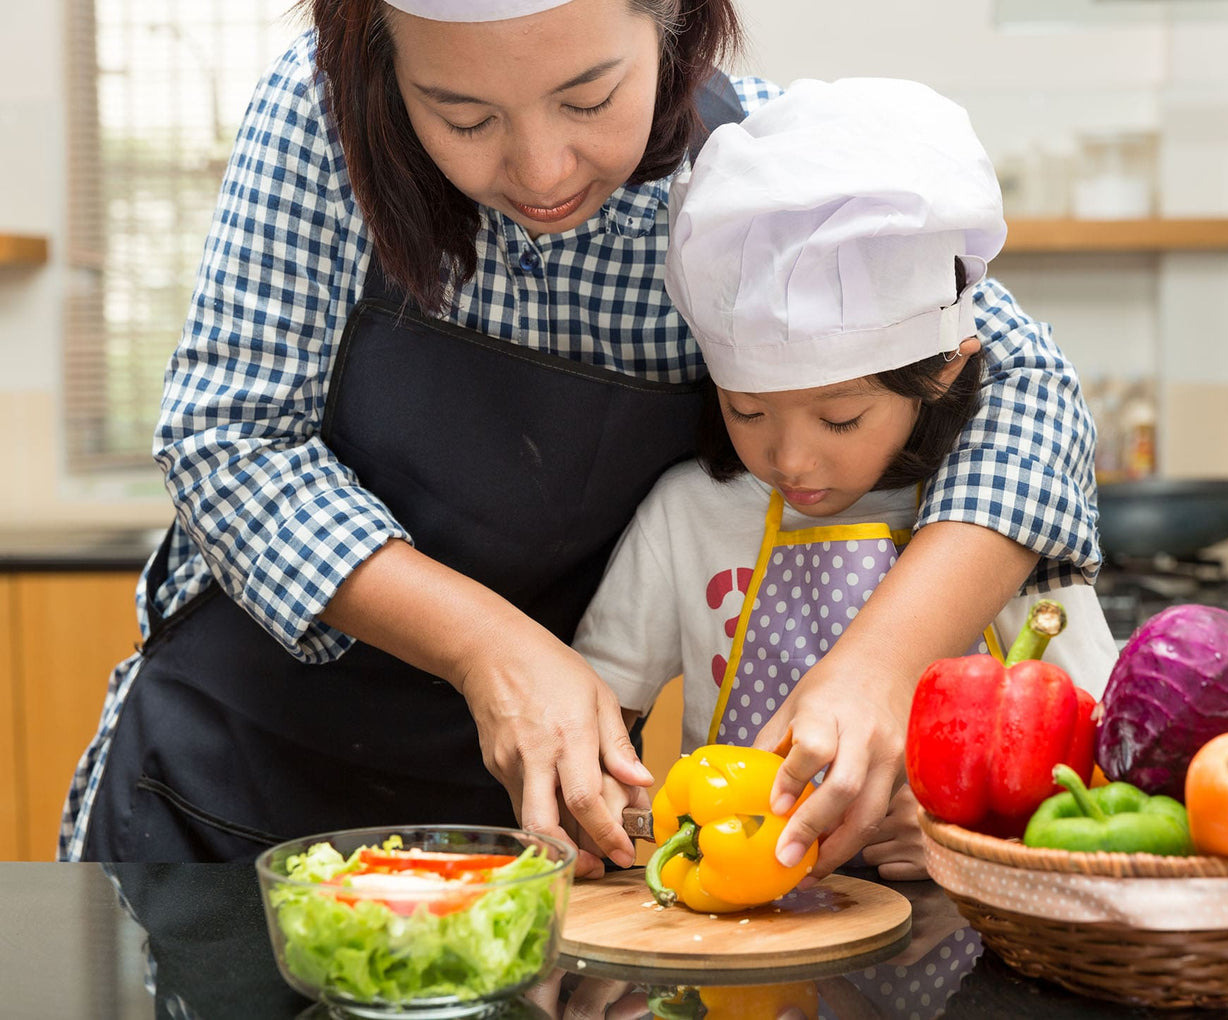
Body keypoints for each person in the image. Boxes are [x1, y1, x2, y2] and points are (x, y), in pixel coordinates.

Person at [59, 0, 1102, 872]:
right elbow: (228, 439)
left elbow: (1030, 390)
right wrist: (490, 651)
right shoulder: (322, 120)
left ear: (672, 22)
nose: (540, 168)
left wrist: (881, 668)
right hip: (234, 783)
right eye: (460, 116)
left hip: (541, 835)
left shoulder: (761, 180)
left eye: (589, 98)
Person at [573, 77, 1117, 879]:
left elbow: (1101, 777)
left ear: (941, 374)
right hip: (734, 925)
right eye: (747, 412)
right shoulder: (687, 516)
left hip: (957, 943)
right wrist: (600, 819)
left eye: (839, 420)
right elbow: (599, 727)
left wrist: (964, 834)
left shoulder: (996, 540)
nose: (790, 460)